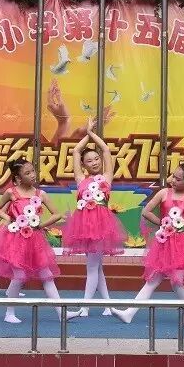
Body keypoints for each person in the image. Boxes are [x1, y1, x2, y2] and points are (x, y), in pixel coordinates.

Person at [113, 164, 184, 325]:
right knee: (152, 281)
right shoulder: (163, 193)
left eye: (178, 179)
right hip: (164, 242)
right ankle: (129, 313)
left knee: (176, 281)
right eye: (173, 176)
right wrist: (163, 223)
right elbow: (146, 212)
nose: (173, 180)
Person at [0, 157, 66, 323]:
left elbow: (57, 214)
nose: (32, 175)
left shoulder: (40, 194)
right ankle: (9, 313)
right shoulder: (11, 192)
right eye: (27, 173)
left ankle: (61, 313)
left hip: (35, 240)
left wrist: (41, 225)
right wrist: (8, 218)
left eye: (33, 171)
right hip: (15, 239)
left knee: (47, 275)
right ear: (18, 178)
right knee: (18, 275)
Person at [62, 118, 127, 319]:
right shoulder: (80, 179)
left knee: (92, 267)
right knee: (96, 267)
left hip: (101, 227)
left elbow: (106, 150)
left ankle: (85, 307)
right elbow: (75, 151)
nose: (95, 162)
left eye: (96, 159)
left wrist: (92, 134)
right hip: (84, 226)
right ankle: (107, 306)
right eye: (89, 161)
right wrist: (86, 135)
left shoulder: (107, 177)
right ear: (83, 165)